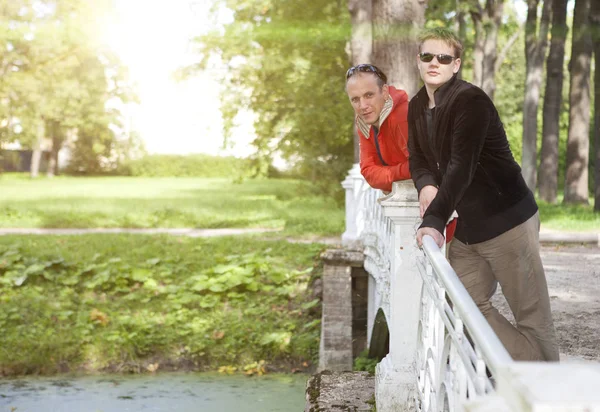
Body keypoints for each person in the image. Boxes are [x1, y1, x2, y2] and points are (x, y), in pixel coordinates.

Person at [407, 27, 559, 362]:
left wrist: (433, 219)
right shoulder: (417, 105)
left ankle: (547, 383)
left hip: (508, 224)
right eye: (428, 56)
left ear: (456, 64)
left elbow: (463, 166)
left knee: (533, 321)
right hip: (469, 230)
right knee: (460, 306)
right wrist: (426, 184)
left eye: (444, 57)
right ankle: (523, 366)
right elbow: (416, 157)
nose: (435, 62)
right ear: (418, 61)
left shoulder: (470, 101)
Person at [345, 64, 412, 193]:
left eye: (369, 95)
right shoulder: (365, 123)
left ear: (385, 92)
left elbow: (422, 166)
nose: (363, 106)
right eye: (355, 99)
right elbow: (369, 173)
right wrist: (399, 173)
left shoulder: (402, 116)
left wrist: (388, 176)